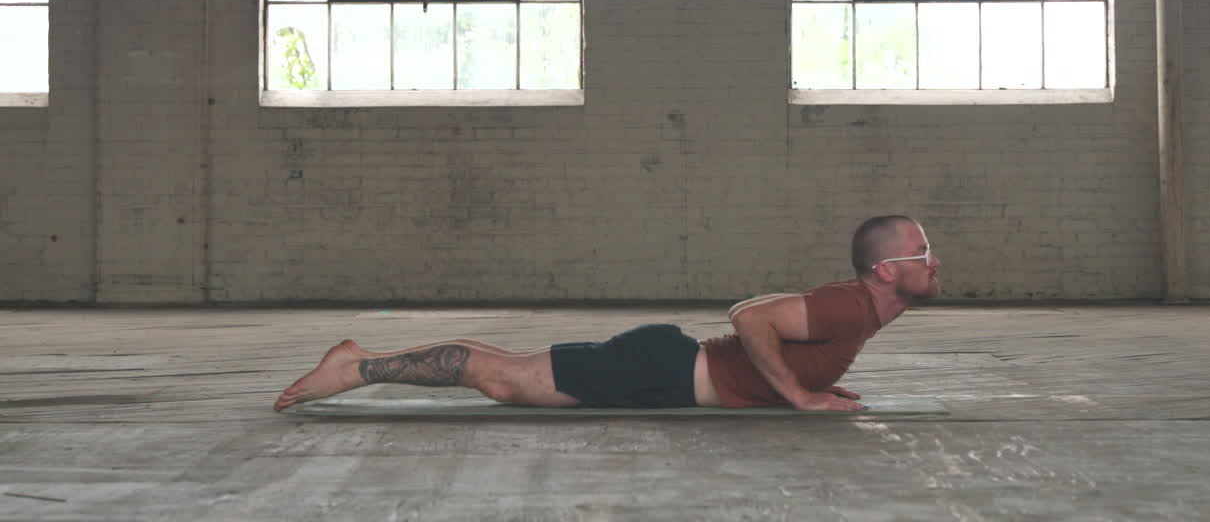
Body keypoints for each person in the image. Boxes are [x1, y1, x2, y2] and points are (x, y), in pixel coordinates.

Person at [273, 215, 941, 412]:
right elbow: (748, 316)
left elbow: (769, 331)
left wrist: (815, 384)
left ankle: (359, 364)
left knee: (510, 374)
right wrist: (798, 394)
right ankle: (356, 369)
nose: (934, 261)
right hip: (663, 369)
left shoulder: (859, 313)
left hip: (665, 371)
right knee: (505, 381)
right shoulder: (849, 305)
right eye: (922, 252)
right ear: (886, 271)